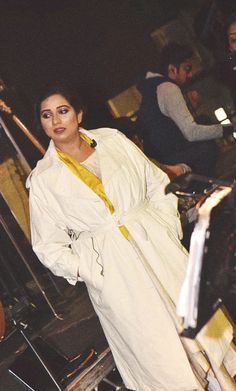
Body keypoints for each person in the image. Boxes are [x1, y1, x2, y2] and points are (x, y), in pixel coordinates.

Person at [27, 83, 236, 390]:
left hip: (156, 247)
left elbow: (155, 183)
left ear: (78, 113)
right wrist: (90, 270)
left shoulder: (112, 141)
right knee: (158, 352)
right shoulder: (43, 180)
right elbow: (47, 245)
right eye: (47, 115)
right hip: (115, 273)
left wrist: (164, 225)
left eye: (63, 111)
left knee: (201, 333)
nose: (56, 121)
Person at [136, 42, 236, 177]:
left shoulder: (152, 89)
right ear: (172, 69)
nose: (190, 74)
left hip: (163, 157)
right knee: (206, 135)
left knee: (203, 121)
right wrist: (230, 128)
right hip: (175, 158)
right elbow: (191, 132)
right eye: (186, 68)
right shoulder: (168, 88)